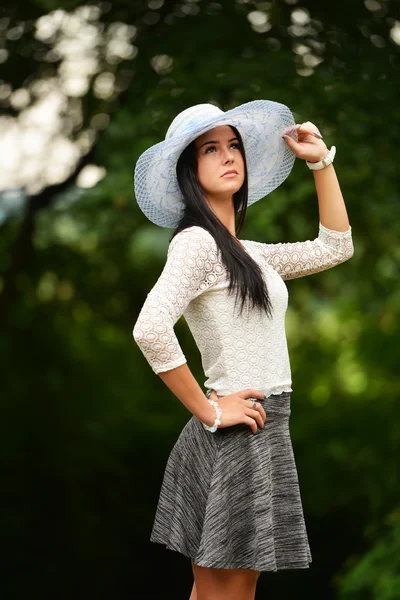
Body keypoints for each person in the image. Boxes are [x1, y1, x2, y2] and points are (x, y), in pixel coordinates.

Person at [132, 100, 354, 600]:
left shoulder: (249, 254)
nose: (228, 155)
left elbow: (336, 247)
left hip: (262, 427)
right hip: (235, 431)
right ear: (190, 170)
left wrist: (321, 164)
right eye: (211, 149)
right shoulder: (196, 245)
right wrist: (210, 411)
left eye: (234, 146)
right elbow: (149, 329)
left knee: (218, 593)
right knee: (229, 595)